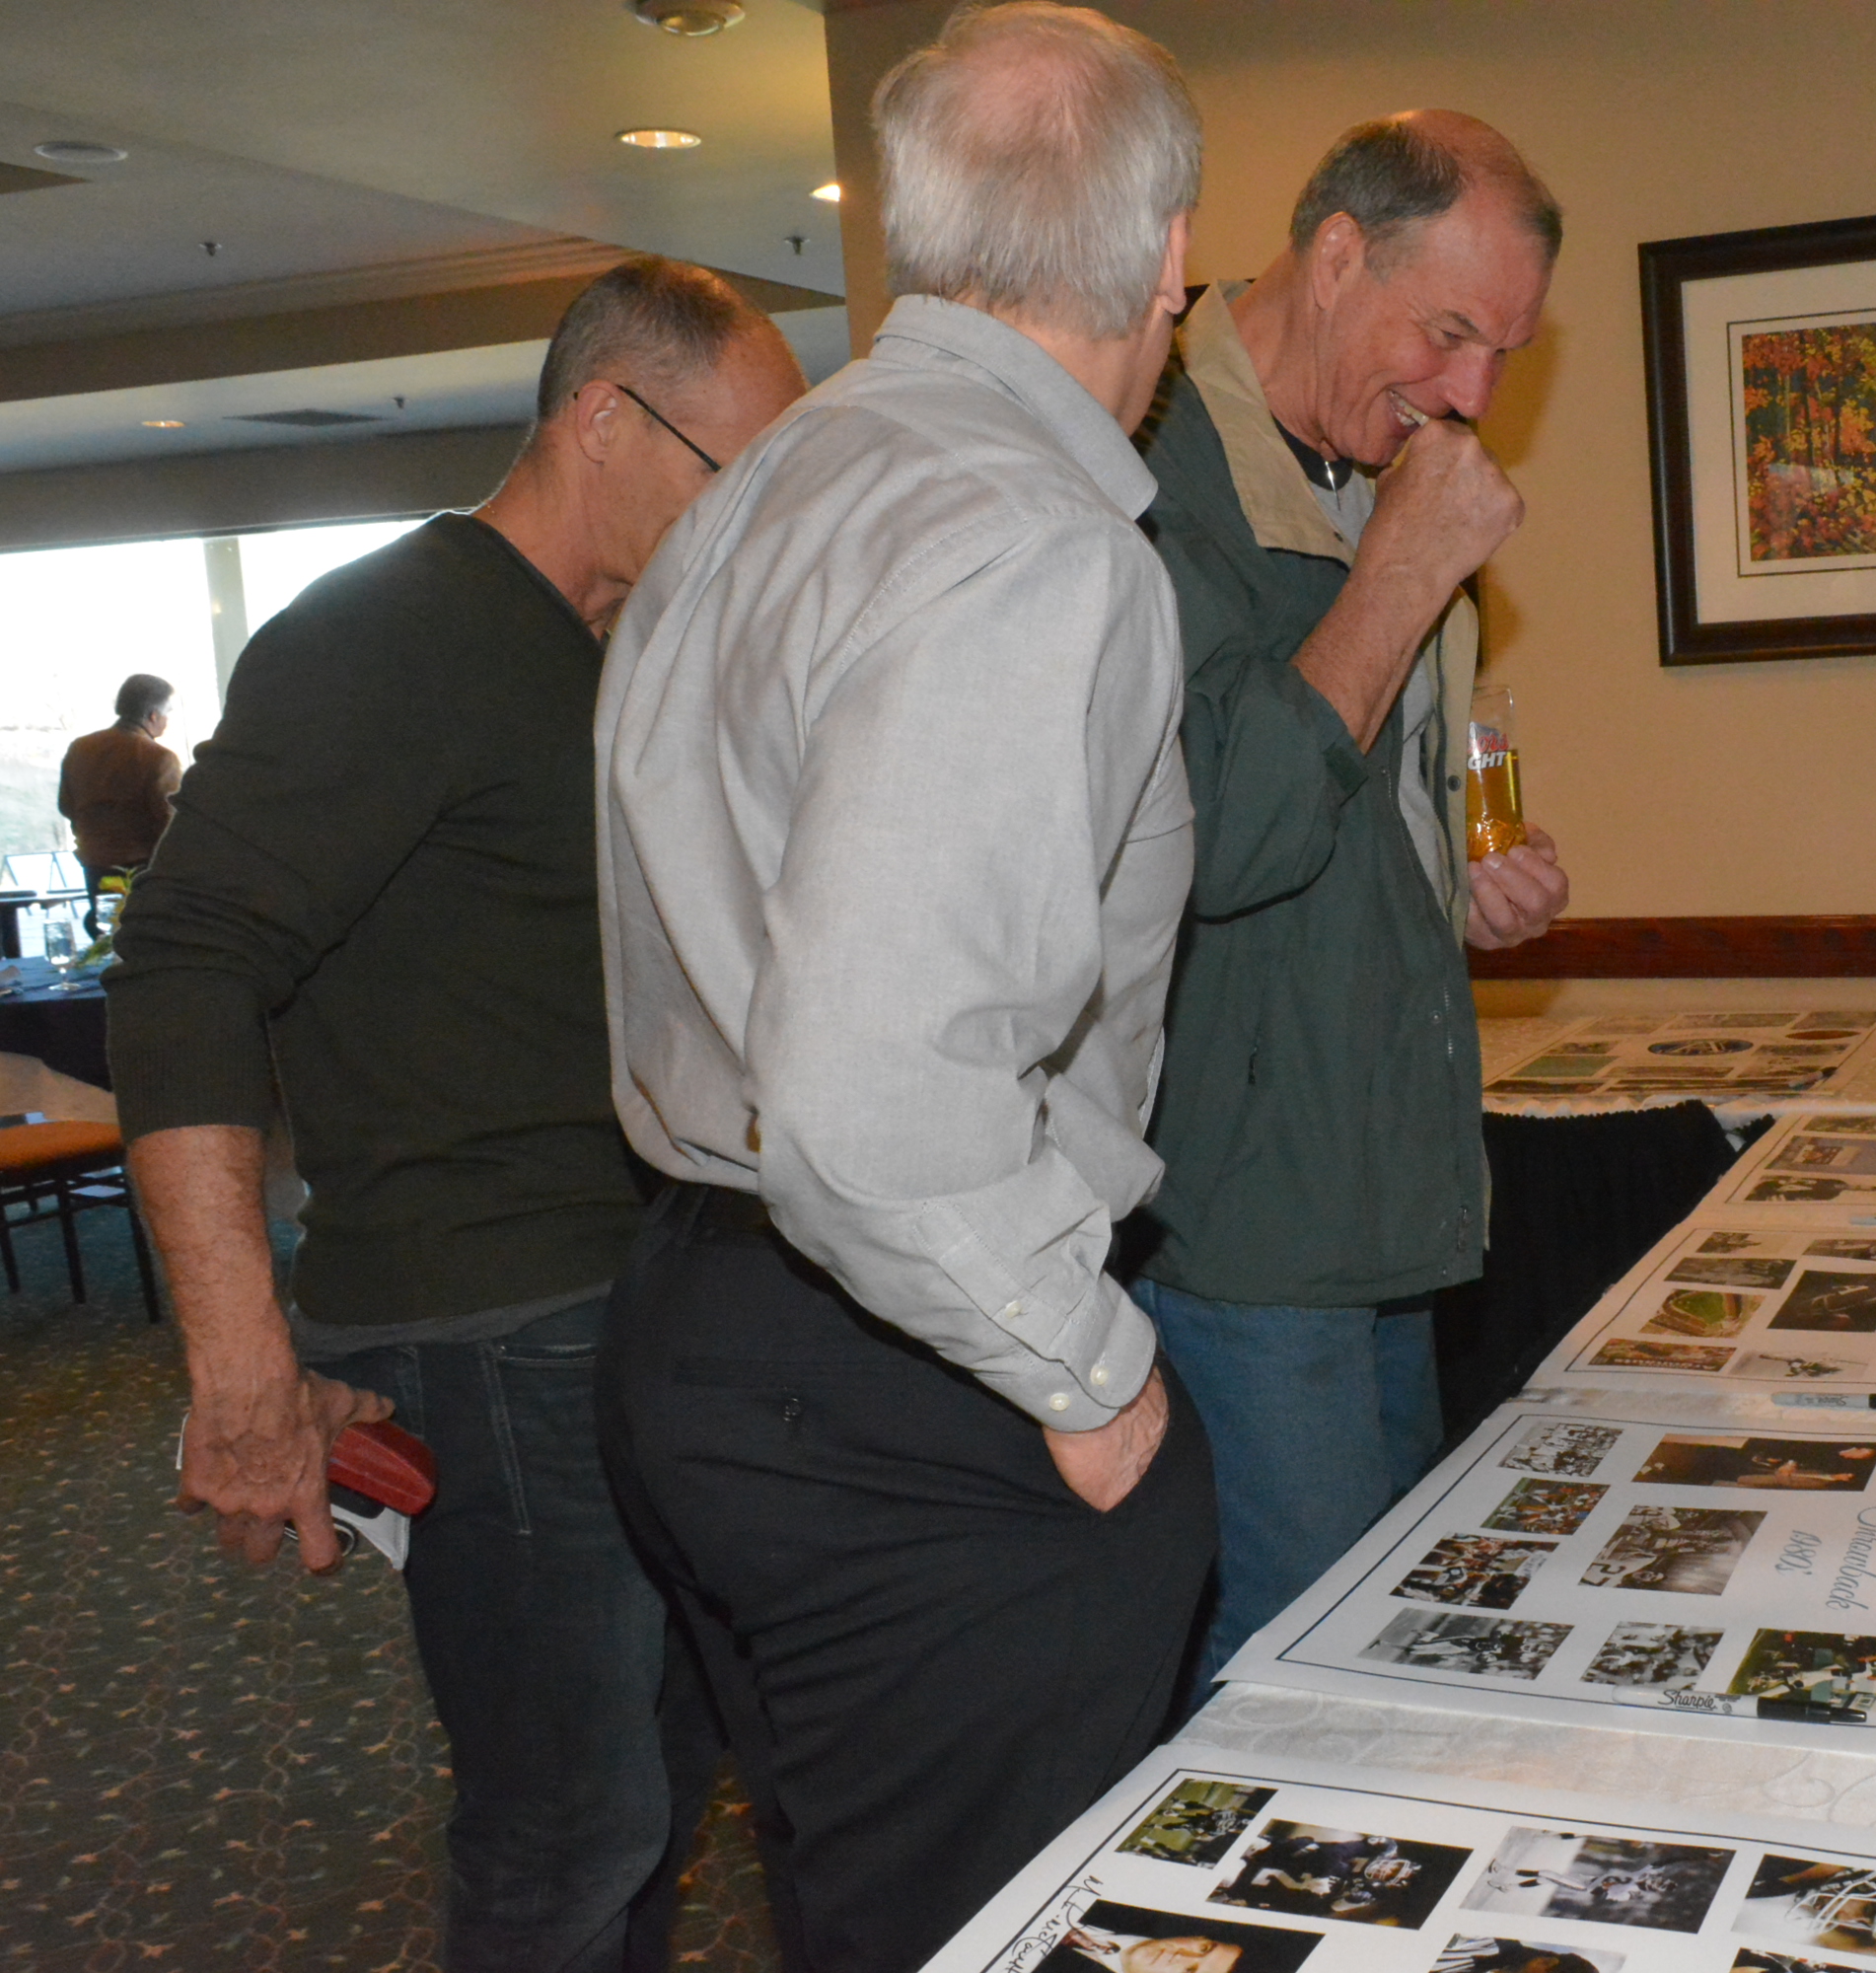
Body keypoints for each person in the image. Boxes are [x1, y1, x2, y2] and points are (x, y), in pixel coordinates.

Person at [592, 9, 1216, 1969]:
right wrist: (1093, 1375)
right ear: (1170, 258)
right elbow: (879, 1101)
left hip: (704, 1320)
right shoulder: (1024, 537)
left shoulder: (771, 479)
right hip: (907, 1361)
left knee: (860, 1914)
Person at [107, 257, 806, 1973]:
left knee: (656, 1783)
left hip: (615, 1297)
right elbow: (183, 968)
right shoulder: (390, 632)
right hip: (488, 1328)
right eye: (735, 473)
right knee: (567, 1824)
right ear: (601, 418)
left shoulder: (592, 648)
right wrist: (241, 1367)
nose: (754, 518)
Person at [1123, 110, 1568, 1679]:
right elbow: (1230, 837)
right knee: (1294, 1679)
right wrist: (1402, 572)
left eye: (1506, 353)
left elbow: (1363, 792)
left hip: (1382, 1197)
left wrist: (1463, 875)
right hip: (1240, 1228)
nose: (1474, 394)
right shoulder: (1151, 472)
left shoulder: (1368, 468)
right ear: (1331, 257)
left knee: (1379, 1650)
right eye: (1449, 334)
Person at [57, 672, 180, 928]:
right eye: (168, 713)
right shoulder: (159, 758)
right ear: (153, 716)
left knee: (106, 933)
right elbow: (170, 823)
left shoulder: (81, 748)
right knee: (145, 935)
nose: (168, 721)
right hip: (142, 871)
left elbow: (66, 806)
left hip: (94, 865)